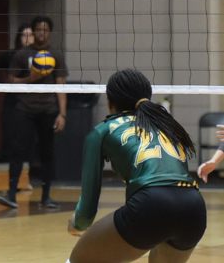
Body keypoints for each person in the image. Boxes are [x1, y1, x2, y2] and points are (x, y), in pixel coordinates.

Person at [67, 69, 206, 263]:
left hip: (151, 204)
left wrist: (76, 223)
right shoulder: (166, 125)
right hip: (194, 208)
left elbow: (87, 212)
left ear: (109, 102)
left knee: (79, 260)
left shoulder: (102, 131)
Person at [0, 15, 68, 209]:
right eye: (38, 30)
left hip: (48, 110)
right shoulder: (22, 54)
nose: (41, 33)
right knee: (18, 150)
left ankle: (46, 196)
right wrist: (31, 78)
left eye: (44, 30)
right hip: (24, 109)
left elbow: (61, 85)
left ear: (49, 32)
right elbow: (11, 81)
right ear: (33, 31)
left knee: (47, 152)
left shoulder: (56, 55)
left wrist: (62, 114)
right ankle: (12, 194)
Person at [0, 24, 33, 162]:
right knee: (11, 135)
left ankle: (26, 173)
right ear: (19, 38)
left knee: (28, 138)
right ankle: (9, 173)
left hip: (32, 102)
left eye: (31, 35)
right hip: (13, 102)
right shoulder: (12, 55)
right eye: (25, 35)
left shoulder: (41, 56)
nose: (28, 39)